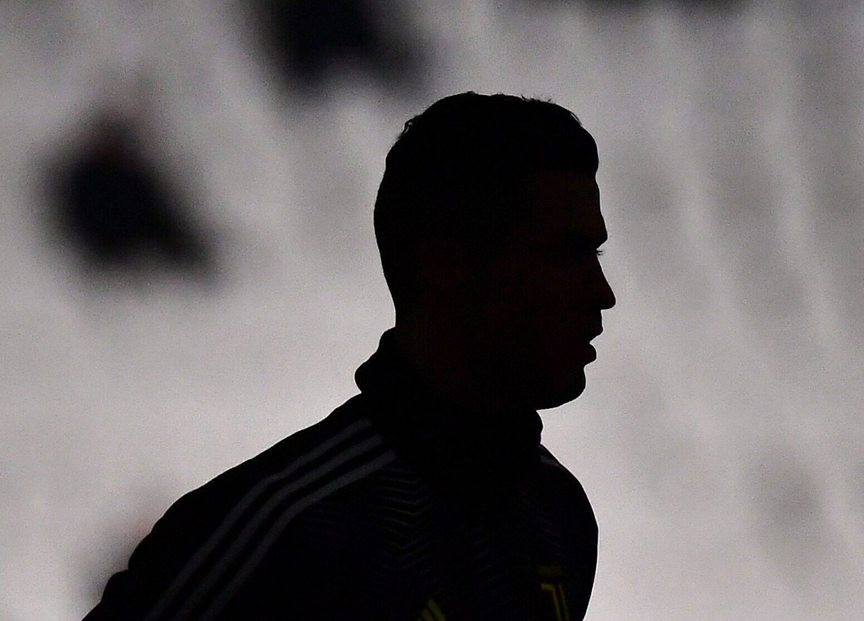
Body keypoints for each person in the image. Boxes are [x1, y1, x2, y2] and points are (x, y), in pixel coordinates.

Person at [83, 91, 616, 621]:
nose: (603, 293)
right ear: (446, 267)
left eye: (595, 253)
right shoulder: (288, 529)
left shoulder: (558, 516)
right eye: (567, 255)